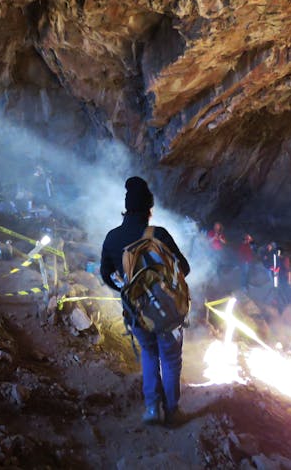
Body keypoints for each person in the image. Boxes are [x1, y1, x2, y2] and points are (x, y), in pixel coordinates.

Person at [100, 177, 190, 427]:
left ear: (126, 208)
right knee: (170, 359)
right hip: (168, 314)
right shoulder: (158, 234)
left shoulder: (112, 238)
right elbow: (185, 268)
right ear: (149, 210)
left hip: (136, 313)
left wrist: (128, 290)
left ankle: (152, 408)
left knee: (149, 355)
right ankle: (173, 412)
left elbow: (105, 275)